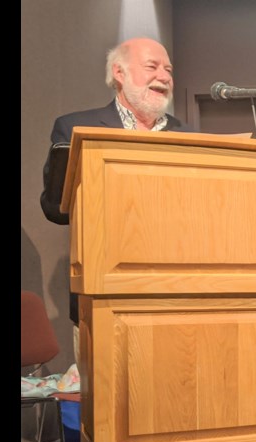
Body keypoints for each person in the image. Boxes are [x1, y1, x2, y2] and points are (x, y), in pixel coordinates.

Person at [39, 37, 194, 346]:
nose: (164, 76)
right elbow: (55, 207)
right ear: (119, 73)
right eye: (152, 66)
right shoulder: (75, 128)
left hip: (175, 300)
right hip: (102, 299)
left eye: (168, 70)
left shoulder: (189, 136)